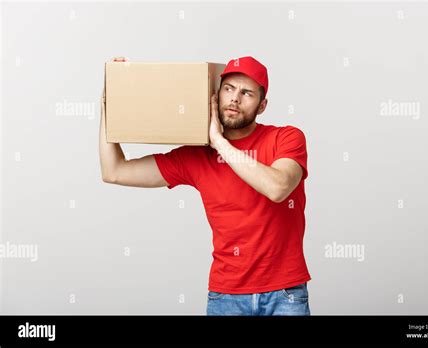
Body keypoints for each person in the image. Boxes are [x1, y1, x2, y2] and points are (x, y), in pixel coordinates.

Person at [100, 56, 311, 316]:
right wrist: (109, 102)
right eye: (229, 89)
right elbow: (114, 171)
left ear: (262, 105)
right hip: (227, 297)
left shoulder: (287, 138)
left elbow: (277, 188)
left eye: (247, 93)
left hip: (285, 293)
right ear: (216, 95)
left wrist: (219, 142)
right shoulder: (196, 157)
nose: (235, 98)